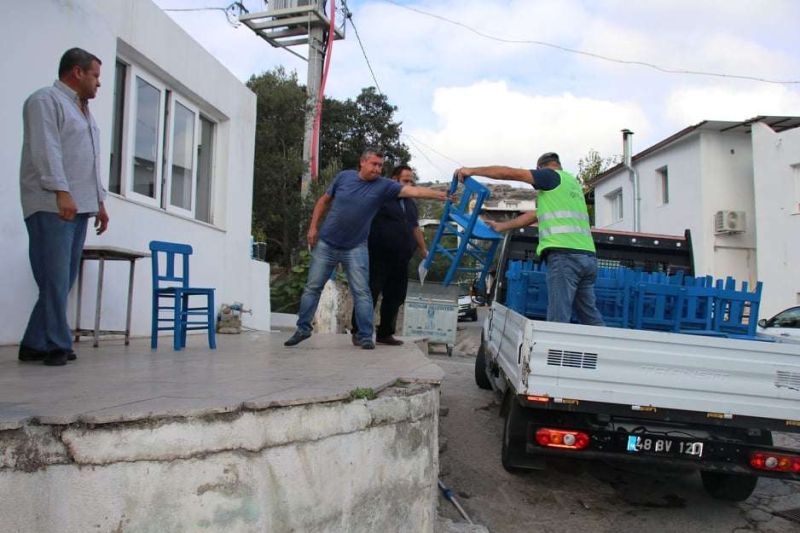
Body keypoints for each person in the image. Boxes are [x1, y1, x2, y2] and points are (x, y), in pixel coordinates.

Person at [285, 149, 447, 349]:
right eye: (374, 164)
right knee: (312, 287)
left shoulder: (384, 187)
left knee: (362, 292)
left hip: (355, 247)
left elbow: (414, 192)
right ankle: (302, 329)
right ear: (362, 162)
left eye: (380, 166)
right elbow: (323, 201)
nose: (378, 169)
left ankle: (364, 336)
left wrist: (440, 195)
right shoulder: (343, 177)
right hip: (327, 243)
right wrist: (313, 227)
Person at [18, 47, 110, 366]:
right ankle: (58, 343)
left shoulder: (84, 111)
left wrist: (99, 202)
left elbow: (91, 160)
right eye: (95, 76)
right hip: (51, 204)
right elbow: (47, 151)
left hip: (80, 206)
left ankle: (32, 343)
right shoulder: (45, 101)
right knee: (55, 278)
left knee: (64, 279)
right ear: (76, 72)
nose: (99, 83)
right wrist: (61, 192)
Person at [455, 152, 604, 326]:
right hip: (588, 258)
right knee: (589, 315)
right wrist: (503, 226)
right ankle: (610, 351)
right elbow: (535, 215)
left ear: (540, 168)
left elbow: (510, 173)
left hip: (565, 257)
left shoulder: (549, 176)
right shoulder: (571, 184)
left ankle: (552, 352)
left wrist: (471, 170)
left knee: (558, 318)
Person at [350, 165, 428, 346]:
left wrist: (423, 249)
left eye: (411, 181)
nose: (409, 184)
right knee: (369, 293)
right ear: (394, 181)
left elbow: (415, 227)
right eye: (405, 180)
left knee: (396, 296)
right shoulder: (380, 198)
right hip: (378, 255)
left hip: (401, 258)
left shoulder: (410, 204)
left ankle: (385, 333)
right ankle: (359, 331)